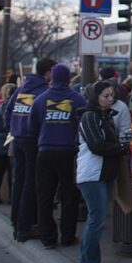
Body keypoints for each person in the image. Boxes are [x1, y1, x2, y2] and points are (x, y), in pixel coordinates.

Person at [30, 63, 86, 248]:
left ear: (52, 78)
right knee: (69, 196)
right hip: (69, 152)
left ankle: (48, 237)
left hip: (45, 151)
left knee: (45, 196)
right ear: (68, 78)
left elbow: (33, 127)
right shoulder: (78, 100)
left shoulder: (40, 100)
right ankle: (67, 236)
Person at [75, 80, 126, 263]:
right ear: (95, 97)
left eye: (112, 95)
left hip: (100, 173)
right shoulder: (90, 116)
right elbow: (97, 145)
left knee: (96, 220)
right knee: (96, 221)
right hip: (92, 173)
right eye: (106, 95)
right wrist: (121, 148)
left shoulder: (102, 115)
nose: (110, 98)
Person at [3, 57, 54, 241]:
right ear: (48, 72)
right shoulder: (44, 92)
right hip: (33, 141)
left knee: (18, 181)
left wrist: (14, 128)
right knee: (30, 184)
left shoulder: (21, 89)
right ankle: (24, 227)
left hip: (18, 139)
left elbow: (7, 112)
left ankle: (16, 220)